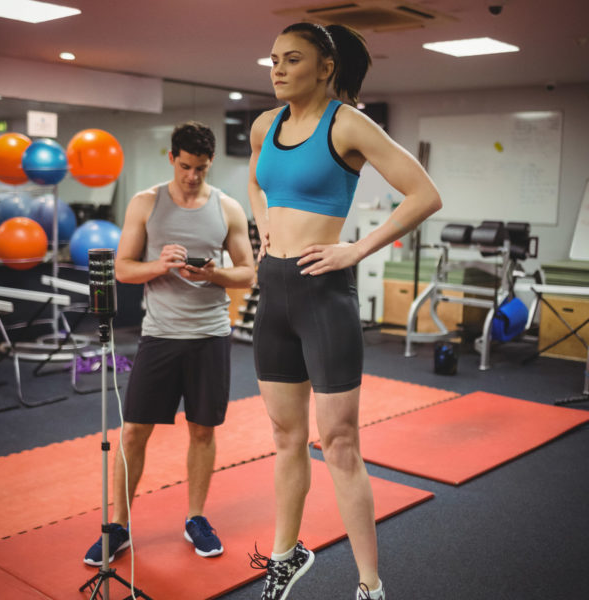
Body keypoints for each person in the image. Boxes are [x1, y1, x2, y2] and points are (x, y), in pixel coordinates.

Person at [247, 22, 442, 600]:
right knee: (286, 437)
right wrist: (262, 230)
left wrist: (356, 248)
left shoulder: (348, 124)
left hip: (322, 293)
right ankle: (286, 556)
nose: (277, 69)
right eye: (273, 58)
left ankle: (369, 585)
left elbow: (425, 194)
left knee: (339, 444)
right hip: (273, 289)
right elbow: (257, 182)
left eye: (292, 59)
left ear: (325, 67)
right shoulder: (266, 124)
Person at [84, 121, 255, 566]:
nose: (192, 176)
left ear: (210, 162)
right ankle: (119, 525)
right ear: (171, 158)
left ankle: (195, 518)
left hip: (211, 336)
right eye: (184, 166)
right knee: (135, 431)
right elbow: (122, 269)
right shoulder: (146, 203)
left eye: (200, 168)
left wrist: (214, 274)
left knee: (202, 431)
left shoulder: (228, 208)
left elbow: (248, 273)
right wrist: (158, 265)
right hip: (159, 336)